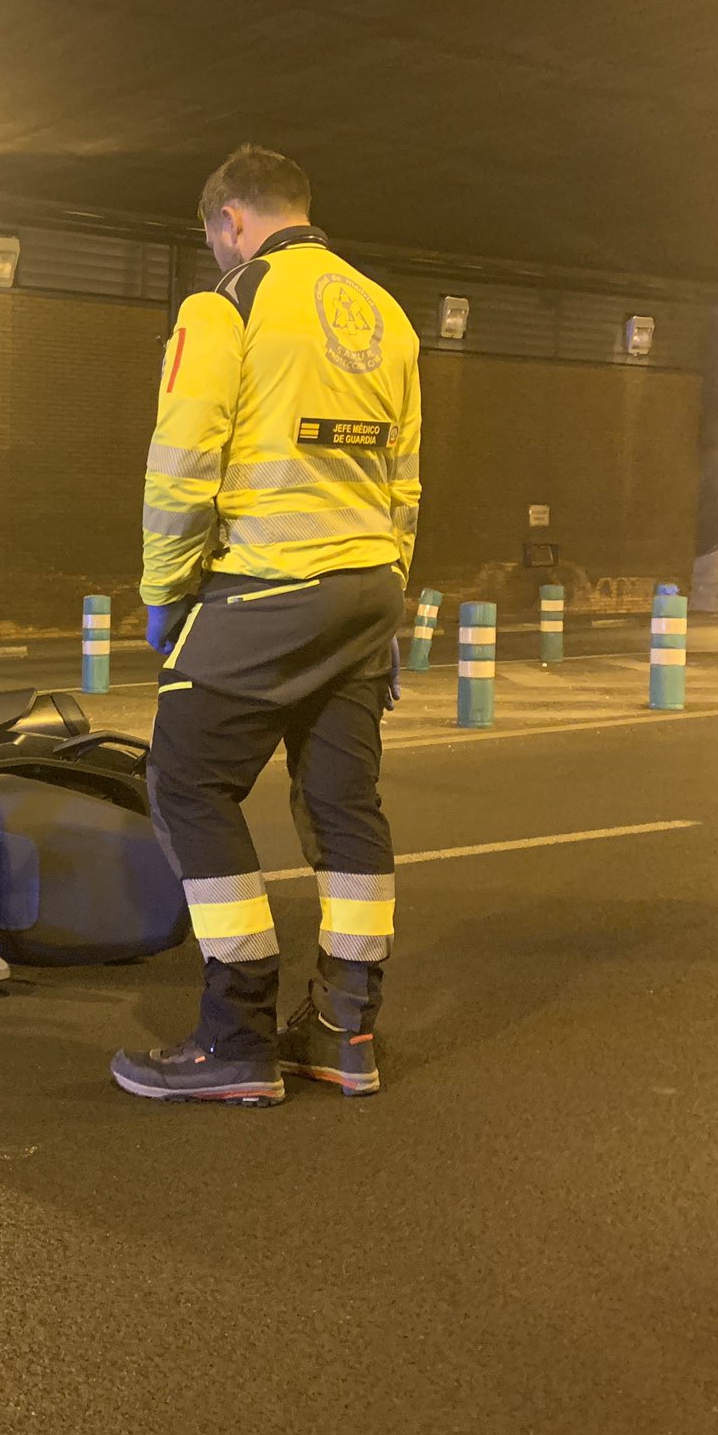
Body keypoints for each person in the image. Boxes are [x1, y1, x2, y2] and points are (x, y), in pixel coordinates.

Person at [110, 144, 422, 1106]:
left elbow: (181, 462)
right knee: (342, 803)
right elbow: (402, 483)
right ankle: (344, 1030)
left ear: (230, 222)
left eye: (216, 239)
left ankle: (236, 1033)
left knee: (185, 779)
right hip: (367, 588)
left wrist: (164, 594)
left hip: (266, 590)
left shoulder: (228, 305)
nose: (216, 254)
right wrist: (391, 606)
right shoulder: (387, 314)